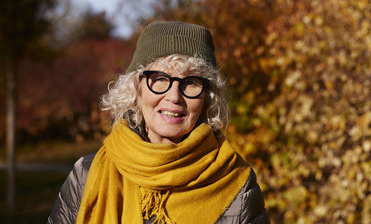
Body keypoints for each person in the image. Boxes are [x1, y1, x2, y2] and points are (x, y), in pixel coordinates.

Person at [48, 21, 270, 224]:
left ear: (207, 98)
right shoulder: (87, 174)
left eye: (191, 82)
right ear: (137, 88)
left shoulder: (237, 183)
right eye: (160, 79)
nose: (174, 96)